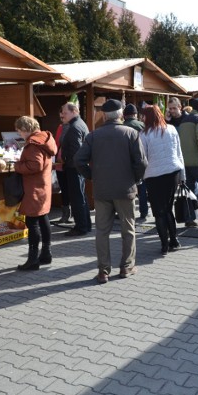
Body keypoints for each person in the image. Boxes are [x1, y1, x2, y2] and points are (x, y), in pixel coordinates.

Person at [74, 99, 147, 284]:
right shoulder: (131, 133)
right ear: (121, 114)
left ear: (104, 115)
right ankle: (126, 266)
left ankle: (103, 271)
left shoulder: (94, 136)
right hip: (125, 189)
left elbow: (78, 160)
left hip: (102, 189)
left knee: (102, 231)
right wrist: (136, 179)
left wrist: (91, 175)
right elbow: (141, 162)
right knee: (128, 229)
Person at [139, 104, 185, 255]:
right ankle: (174, 240)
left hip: (153, 175)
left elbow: (143, 158)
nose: (141, 118)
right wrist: (182, 174)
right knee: (168, 208)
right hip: (173, 171)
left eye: (143, 116)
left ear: (147, 117)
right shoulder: (171, 129)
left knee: (159, 211)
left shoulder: (144, 134)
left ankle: (164, 244)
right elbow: (179, 152)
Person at [13, 116, 57, 271]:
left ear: (25, 129)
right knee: (43, 218)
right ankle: (46, 253)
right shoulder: (44, 139)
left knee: (32, 222)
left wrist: (17, 166)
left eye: (19, 130)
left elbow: (35, 165)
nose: (19, 134)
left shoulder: (33, 144)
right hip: (42, 186)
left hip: (34, 188)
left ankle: (33, 260)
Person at [167, 97, 198, 228]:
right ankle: (188, 212)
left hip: (184, 162)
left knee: (191, 191)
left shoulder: (183, 121)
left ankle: (189, 219)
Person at [59, 102, 92, 236]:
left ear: (74, 111)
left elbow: (76, 151)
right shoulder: (80, 124)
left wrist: (66, 159)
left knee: (77, 198)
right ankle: (86, 224)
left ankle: (81, 227)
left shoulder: (74, 127)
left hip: (74, 167)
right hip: (78, 167)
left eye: (65, 113)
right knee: (81, 196)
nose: (63, 115)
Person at [123, 103, 149, 221]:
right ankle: (144, 212)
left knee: (126, 188)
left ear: (124, 116)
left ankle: (125, 213)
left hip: (125, 161)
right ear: (135, 114)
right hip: (141, 159)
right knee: (142, 187)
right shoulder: (143, 125)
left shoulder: (121, 126)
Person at [52, 123, 72, 224]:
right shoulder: (61, 127)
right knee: (64, 189)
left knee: (71, 189)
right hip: (60, 162)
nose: (62, 117)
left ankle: (71, 215)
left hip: (69, 163)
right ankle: (66, 215)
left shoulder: (75, 126)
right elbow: (56, 143)